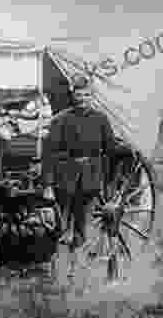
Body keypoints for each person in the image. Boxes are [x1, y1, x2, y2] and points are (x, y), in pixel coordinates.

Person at [42, 76, 119, 249]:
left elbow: (111, 150)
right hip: (65, 176)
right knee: (61, 226)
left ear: (91, 96)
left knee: (85, 222)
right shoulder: (60, 120)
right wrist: (48, 185)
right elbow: (49, 153)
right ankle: (61, 259)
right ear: (72, 96)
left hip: (90, 177)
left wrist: (108, 182)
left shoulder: (101, 119)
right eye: (78, 95)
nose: (82, 99)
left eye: (86, 95)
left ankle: (83, 255)